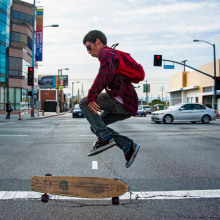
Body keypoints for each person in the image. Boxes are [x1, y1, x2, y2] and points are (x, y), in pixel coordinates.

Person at [79, 30, 140, 168]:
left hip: (121, 99)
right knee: (97, 126)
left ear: (98, 42)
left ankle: (105, 138)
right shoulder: (112, 54)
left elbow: (104, 73)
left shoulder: (106, 53)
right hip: (126, 105)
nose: (88, 52)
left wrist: (91, 96)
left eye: (89, 47)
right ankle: (128, 146)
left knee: (84, 103)